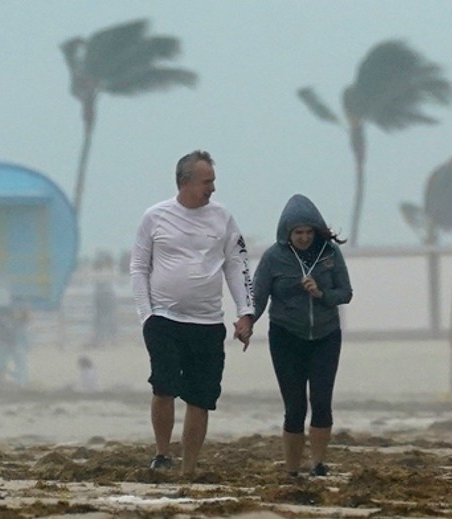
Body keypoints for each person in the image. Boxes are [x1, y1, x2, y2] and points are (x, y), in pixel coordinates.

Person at [130, 150, 255, 474]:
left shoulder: (223, 218)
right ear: (185, 182)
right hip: (164, 319)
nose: (212, 188)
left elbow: (237, 264)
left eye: (213, 181)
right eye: (207, 181)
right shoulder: (155, 216)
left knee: (201, 396)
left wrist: (246, 313)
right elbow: (139, 267)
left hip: (208, 322)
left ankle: (188, 467)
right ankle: (162, 453)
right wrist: (147, 315)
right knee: (165, 385)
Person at [251, 194, 352, 478]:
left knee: (321, 402)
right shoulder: (274, 257)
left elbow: (345, 293)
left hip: (326, 335)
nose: (305, 238)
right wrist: (247, 322)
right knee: (295, 406)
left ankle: (318, 464)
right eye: (298, 233)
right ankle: (292, 469)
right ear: (287, 233)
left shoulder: (330, 254)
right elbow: (258, 297)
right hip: (286, 336)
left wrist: (321, 293)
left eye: (309, 232)